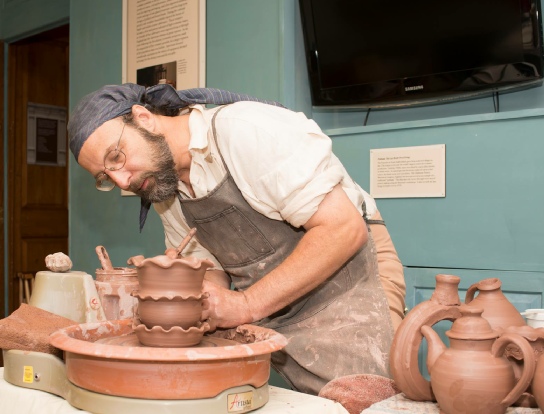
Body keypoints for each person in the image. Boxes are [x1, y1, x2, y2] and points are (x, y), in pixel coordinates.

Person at [68, 83, 406, 395]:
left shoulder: (245, 131)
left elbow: (342, 229)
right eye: (105, 177)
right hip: (274, 304)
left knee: (366, 399)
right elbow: (212, 268)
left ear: (144, 118)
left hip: (347, 284)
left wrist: (245, 305)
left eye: (116, 157)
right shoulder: (163, 184)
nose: (122, 180)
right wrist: (192, 292)